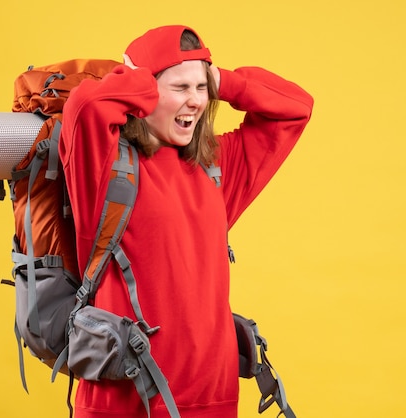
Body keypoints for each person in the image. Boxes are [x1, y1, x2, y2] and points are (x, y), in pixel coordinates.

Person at [59, 24, 313, 418]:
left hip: (213, 400)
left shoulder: (216, 166)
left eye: (201, 89)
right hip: (124, 405)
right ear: (144, 93)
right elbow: (85, 107)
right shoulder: (106, 167)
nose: (195, 101)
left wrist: (222, 81)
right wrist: (142, 77)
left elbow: (296, 107)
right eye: (180, 88)